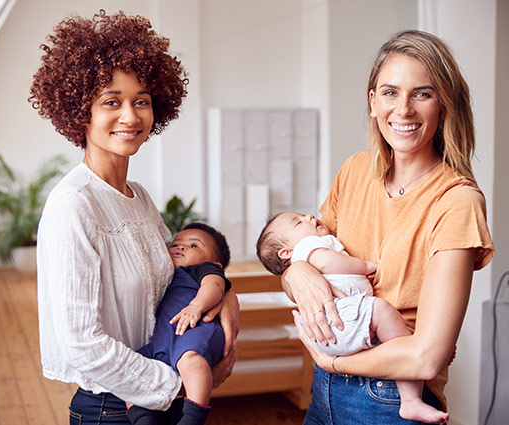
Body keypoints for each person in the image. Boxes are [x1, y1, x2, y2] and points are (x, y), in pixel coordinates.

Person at [29, 10, 239, 424]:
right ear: (79, 112)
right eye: (111, 102)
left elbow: (178, 277)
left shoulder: (138, 197)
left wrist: (226, 300)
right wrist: (178, 385)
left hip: (158, 401)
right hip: (113, 408)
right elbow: (80, 343)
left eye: (141, 101)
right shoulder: (74, 204)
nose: (130, 116)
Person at [280, 30, 494, 425]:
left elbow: (426, 356)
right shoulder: (355, 171)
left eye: (423, 94)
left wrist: (334, 360)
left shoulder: (457, 202)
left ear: (445, 105)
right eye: (391, 92)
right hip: (323, 389)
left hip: (390, 399)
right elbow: (305, 257)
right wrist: (298, 272)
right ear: (372, 101)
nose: (404, 110)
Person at [257, 211, 448, 423]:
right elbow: (328, 262)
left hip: (336, 328)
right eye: (298, 222)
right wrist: (364, 266)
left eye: (304, 215)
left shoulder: (311, 247)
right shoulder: (307, 247)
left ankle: (416, 363)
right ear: (286, 252)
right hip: (337, 319)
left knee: (386, 326)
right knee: (383, 312)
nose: (310, 217)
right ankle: (411, 399)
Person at [128, 222, 232, 425]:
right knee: (132, 368)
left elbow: (215, 286)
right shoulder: (163, 275)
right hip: (165, 339)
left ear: (216, 264)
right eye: (176, 243)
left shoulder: (204, 270)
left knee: (190, 360)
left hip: (197, 329)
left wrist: (197, 306)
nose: (181, 247)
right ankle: (142, 417)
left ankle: (193, 418)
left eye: (194, 246)